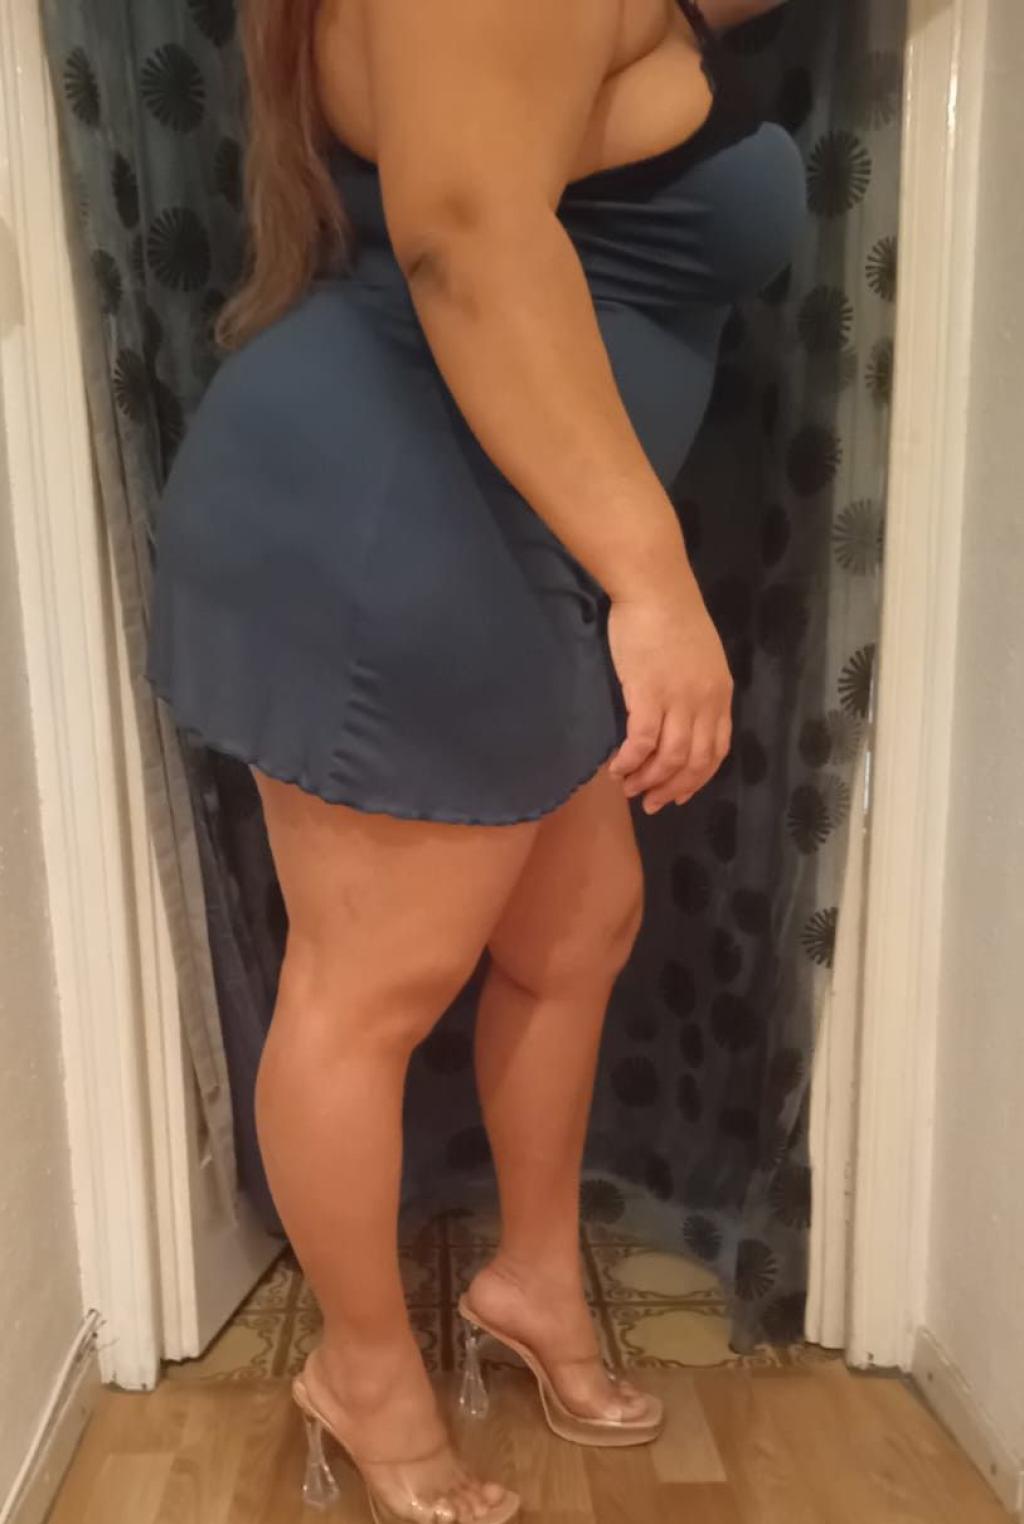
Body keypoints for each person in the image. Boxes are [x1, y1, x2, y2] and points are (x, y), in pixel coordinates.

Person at [145, 0, 804, 1518]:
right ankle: (365, 1372)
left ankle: (534, 1282)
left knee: (578, 926)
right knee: (369, 987)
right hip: (392, 523)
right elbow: (464, 236)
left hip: (511, 527)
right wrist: (653, 580)